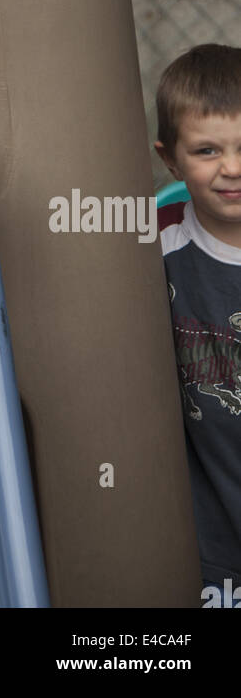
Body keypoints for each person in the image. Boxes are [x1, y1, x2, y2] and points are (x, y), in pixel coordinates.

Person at [154, 43, 241, 604]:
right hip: (215, 516)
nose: (232, 168)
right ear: (170, 160)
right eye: (207, 150)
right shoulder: (154, 244)